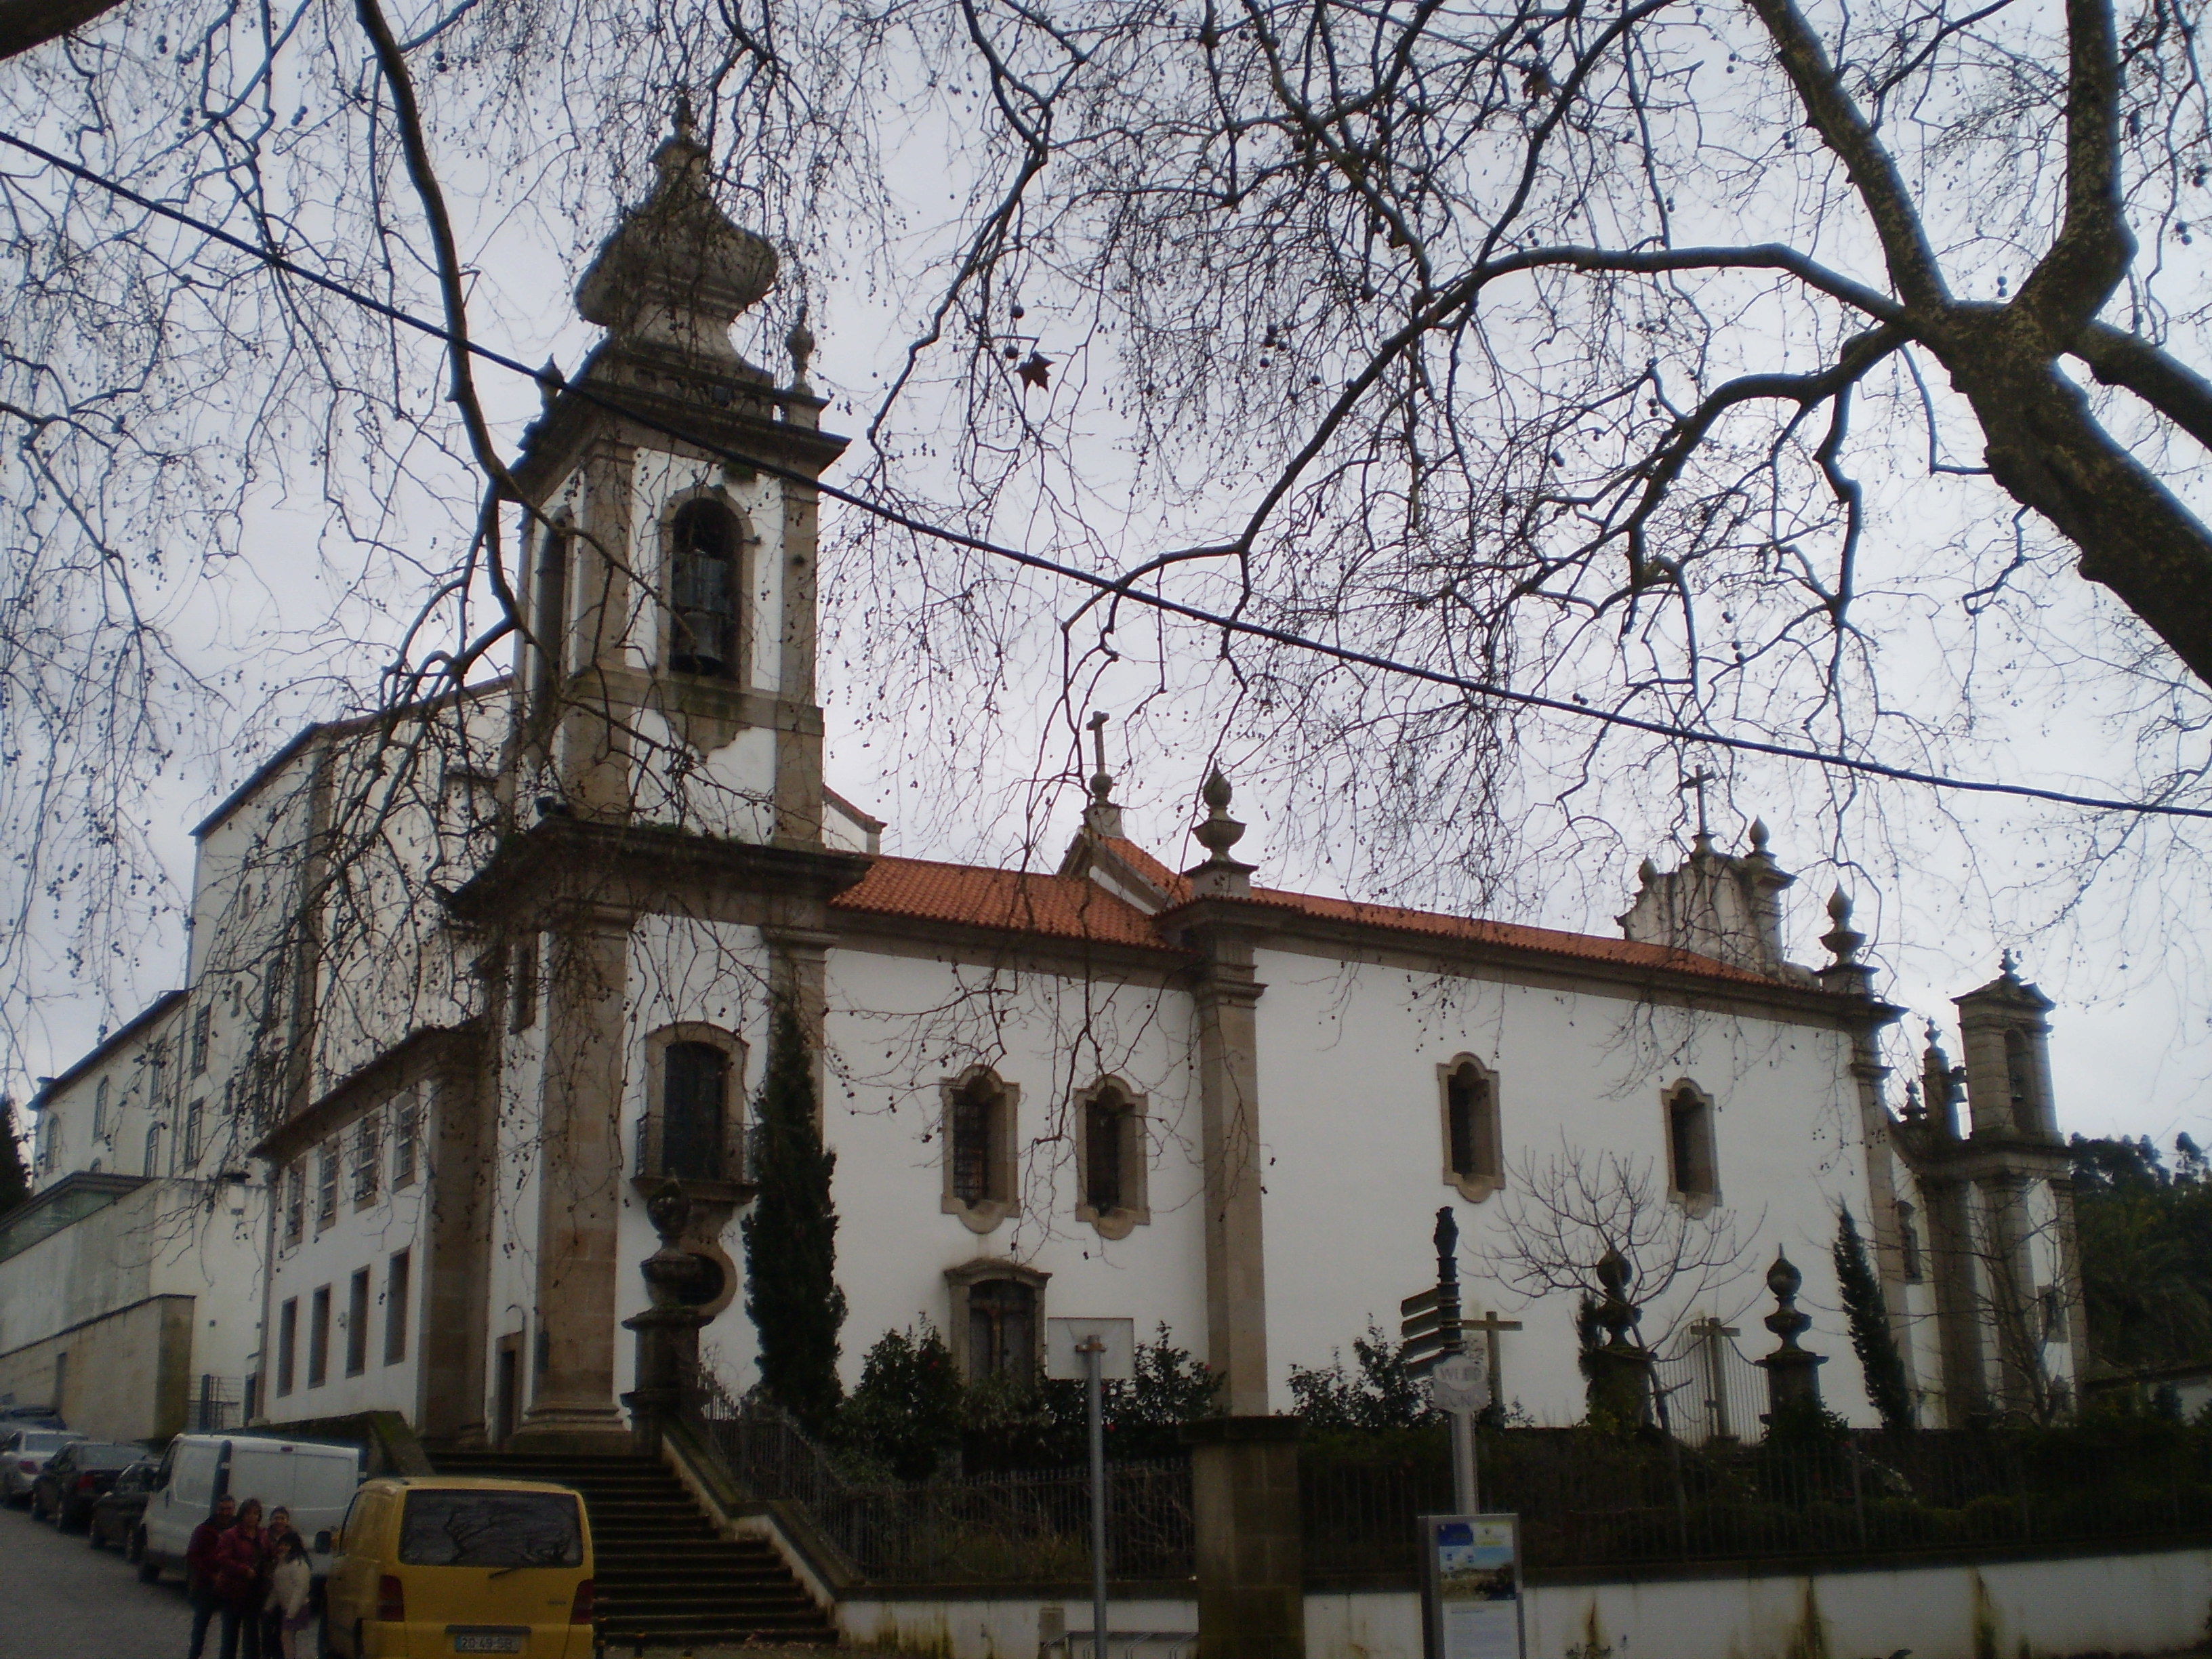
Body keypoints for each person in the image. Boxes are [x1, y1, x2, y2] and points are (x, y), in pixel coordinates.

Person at [209, 1496, 268, 1659]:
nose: (252, 1517)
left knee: (252, 1637)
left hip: (255, 1592)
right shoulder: (231, 1535)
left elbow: (269, 1555)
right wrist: (243, 1570)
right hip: (233, 1591)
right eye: (249, 1513)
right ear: (242, 1515)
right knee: (230, 1637)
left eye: (256, 1514)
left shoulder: (263, 1535)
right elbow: (222, 1558)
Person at [184, 1493, 237, 1659]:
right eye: (223, 1509)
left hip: (230, 1585)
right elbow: (193, 1556)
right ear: (217, 1509)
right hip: (206, 1585)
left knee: (230, 1630)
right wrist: (210, 1575)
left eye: (229, 1509)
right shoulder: (203, 1530)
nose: (226, 1513)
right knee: (200, 1628)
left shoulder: (238, 1530)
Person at [264, 1534, 314, 1659]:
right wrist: (269, 1606)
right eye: (282, 1544)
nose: (283, 1547)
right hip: (287, 1607)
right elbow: (277, 1588)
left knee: (286, 1637)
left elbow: (301, 1589)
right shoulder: (283, 1563)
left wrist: (292, 1612)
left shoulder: (299, 1564)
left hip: (297, 1607)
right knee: (286, 1638)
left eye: (287, 1545)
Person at [258, 1508, 297, 1658]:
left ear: (287, 1521)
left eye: (282, 1518)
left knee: (284, 1632)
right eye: (276, 1518)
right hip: (268, 1589)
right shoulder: (264, 1537)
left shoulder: (293, 1538)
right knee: (267, 1629)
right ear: (271, 1520)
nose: (279, 1521)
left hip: (287, 1592)